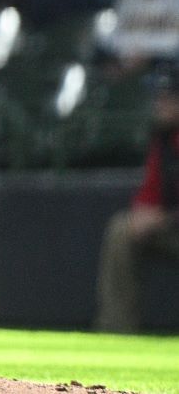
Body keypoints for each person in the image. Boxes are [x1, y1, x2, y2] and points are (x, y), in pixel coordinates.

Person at [94, 58, 179, 332]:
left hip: (172, 221)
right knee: (122, 228)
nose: (159, 104)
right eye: (159, 97)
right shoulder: (164, 137)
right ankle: (117, 329)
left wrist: (164, 217)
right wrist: (145, 214)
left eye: (167, 97)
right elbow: (150, 193)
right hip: (172, 227)